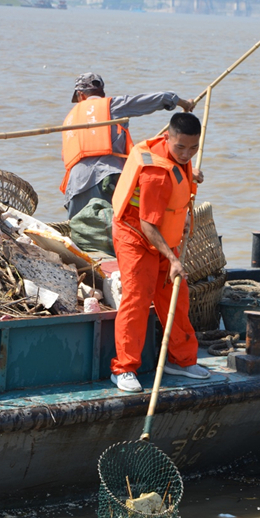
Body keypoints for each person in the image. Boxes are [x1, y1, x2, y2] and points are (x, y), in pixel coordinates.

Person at [109, 112, 210, 392]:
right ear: (168, 138)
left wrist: (191, 174)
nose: (187, 154)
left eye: (193, 148)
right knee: (137, 298)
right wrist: (173, 258)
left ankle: (181, 360)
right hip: (136, 235)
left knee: (177, 297)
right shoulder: (155, 176)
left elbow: (178, 174)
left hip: (163, 237)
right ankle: (124, 368)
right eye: (180, 147)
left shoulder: (179, 158)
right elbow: (147, 224)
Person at [60, 72, 195, 219]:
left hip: (75, 187)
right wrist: (184, 104)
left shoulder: (69, 119)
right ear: (102, 93)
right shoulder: (112, 105)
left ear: (80, 95)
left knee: (80, 233)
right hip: (107, 178)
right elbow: (161, 98)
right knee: (115, 230)